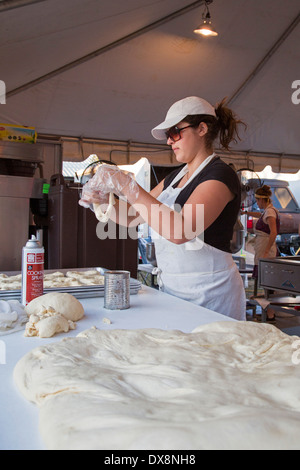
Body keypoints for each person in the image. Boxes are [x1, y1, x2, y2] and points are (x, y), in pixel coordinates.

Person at [79, 96, 247, 321]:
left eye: (175, 132)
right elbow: (133, 216)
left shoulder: (220, 175)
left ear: (202, 129)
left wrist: (127, 185)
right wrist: (99, 201)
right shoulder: (175, 176)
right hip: (174, 292)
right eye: (169, 135)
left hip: (211, 295)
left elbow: (181, 231)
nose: (169, 141)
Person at [241, 185, 280, 322]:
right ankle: (268, 312)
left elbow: (274, 232)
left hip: (266, 250)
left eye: (257, 201)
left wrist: (265, 251)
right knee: (265, 283)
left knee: (267, 284)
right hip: (263, 248)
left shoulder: (270, 213)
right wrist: (246, 213)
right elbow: (261, 216)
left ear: (262, 200)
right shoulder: (268, 211)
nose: (256, 203)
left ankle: (270, 314)